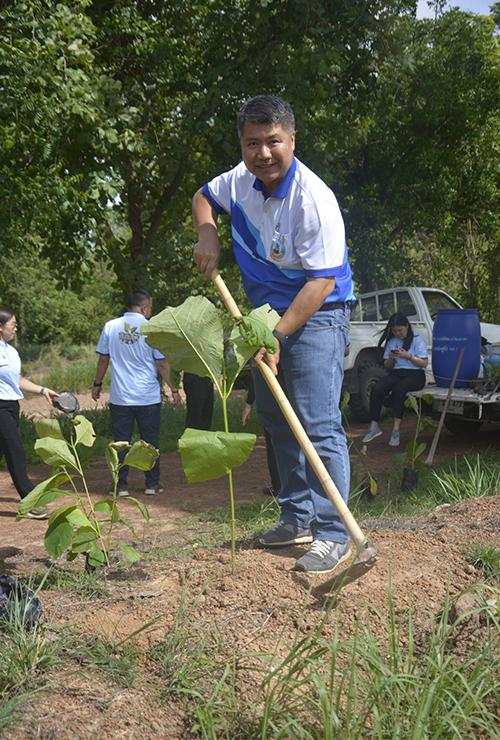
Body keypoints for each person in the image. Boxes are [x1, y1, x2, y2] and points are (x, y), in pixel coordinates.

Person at [192, 94, 355, 574]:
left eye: (273, 142)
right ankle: (296, 517)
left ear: (292, 139)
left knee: (317, 422)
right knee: (276, 418)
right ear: (242, 145)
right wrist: (208, 233)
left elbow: (321, 281)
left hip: (318, 312)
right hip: (264, 315)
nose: (263, 153)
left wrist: (276, 337)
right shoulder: (239, 182)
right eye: (252, 143)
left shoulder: (314, 199)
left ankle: (332, 533)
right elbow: (204, 196)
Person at [92, 289, 180, 496]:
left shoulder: (110, 327)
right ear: (144, 307)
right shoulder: (150, 328)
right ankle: (151, 484)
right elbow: (162, 363)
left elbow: (103, 359)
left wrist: (96, 384)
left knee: (121, 441)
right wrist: (173, 388)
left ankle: (120, 486)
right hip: (147, 396)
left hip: (120, 396)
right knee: (150, 442)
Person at [0, 307, 58, 519]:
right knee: (15, 451)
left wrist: (43, 391)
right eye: (12, 324)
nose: (15, 328)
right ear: (0, 327)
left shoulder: (11, 351)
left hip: (11, 406)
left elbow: (17, 380)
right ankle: (31, 501)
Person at [362, 313, 428, 446]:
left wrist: (408, 356)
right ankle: (374, 425)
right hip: (397, 373)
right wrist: (392, 358)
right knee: (377, 388)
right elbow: (387, 365)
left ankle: (396, 430)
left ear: (407, 327)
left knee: (399, 390)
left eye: (400, 330)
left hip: (415, 375)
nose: (397, 333)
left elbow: (424, 363)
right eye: (394, 331)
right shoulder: (392, 342)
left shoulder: (417, 339)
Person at [241, 373, 280, 497]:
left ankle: (279, 486)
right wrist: (249, 403)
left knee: (274, 444)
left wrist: (249, 403)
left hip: (273, 404)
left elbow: (257, 375)